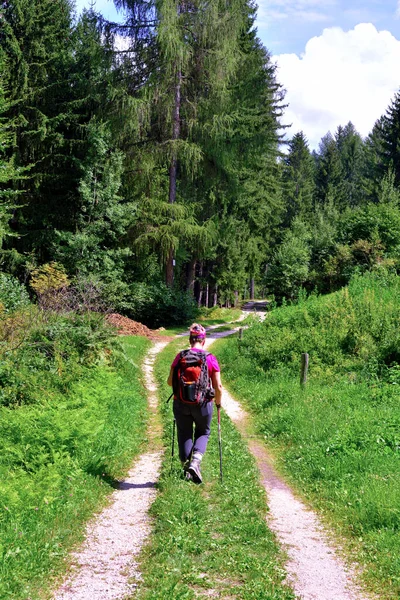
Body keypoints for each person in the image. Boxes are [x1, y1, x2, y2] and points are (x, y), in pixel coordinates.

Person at [167, 323, 223, 483]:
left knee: (184, 433)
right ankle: (195, 462)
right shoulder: (210, 358)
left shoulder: (180, 356)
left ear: (190, 340)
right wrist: (218, 403)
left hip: (181, 403)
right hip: (203, 404)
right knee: (203, 432)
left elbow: (170, 382)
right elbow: (218, 386)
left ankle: (187, 463)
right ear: (203, 341)